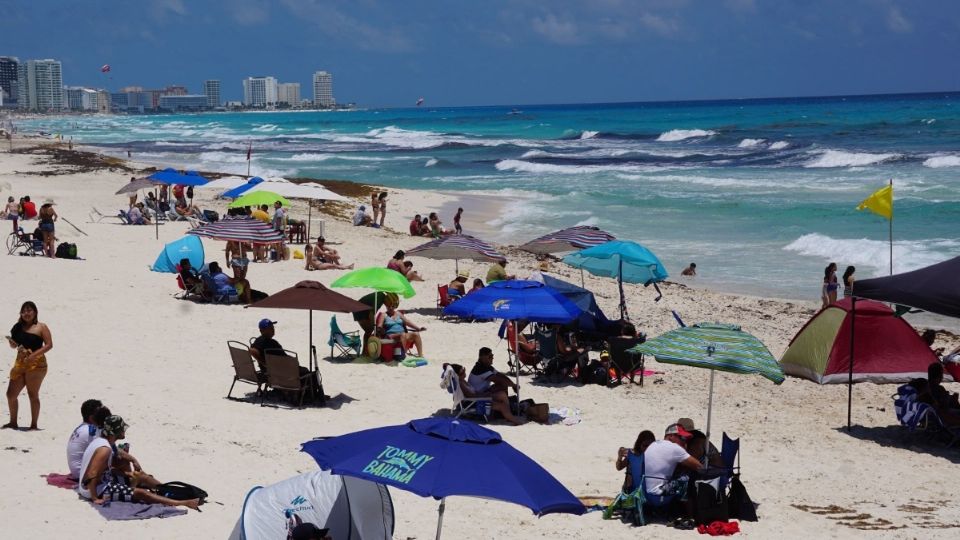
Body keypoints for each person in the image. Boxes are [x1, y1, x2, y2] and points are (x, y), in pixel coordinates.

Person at [76, 415, 200, 510]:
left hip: (103, 481)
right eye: (122, 429)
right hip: (98, 489)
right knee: (141, 493)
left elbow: (111, 462)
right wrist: (94, 498)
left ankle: (170, 491)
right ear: (116, 432)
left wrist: (131, 463)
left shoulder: (106, 441)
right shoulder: (104, 449)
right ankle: (183, 503)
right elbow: (92, 473)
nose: (124, 431)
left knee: (141, 477)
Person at [4, 301, 52, 430]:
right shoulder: (17, 327)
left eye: (29, 310)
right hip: (20, 362)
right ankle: (13, 422)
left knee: (33, 394)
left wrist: (34, 355)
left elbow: (49, 345)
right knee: (11, 394)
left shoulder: (41, 327)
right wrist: (12, 344)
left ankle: (34, 425)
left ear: (35, 312)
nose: (26, 313)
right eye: (24, 311)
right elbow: (15, 344)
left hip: (37, 364)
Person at [642, 423, 702, 514]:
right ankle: (690, 514)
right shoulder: (674, 448)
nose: (684, 441)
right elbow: (698, 466)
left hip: (644, 492)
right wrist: (685, 449)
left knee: (676, 477)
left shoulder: (654, 444)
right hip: (658, 493)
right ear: (670, 436)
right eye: (682, 438)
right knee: (686, 478)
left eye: (685, 439)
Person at [445, 361, 525, 425]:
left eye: (464, 370)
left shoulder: (463, 381)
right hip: (473, 403)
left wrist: (486, 393)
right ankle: (513, 419)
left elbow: (473, 393)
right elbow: (471, 396)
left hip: (477, 398)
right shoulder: (461, 384)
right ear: (458, 375)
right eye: (463, 372)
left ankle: (509, 416)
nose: (465, 372)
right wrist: (485, 395)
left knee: (501, 394)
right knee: (502, 405)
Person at [468, 347, 525, 424]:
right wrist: (513, 385)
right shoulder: (480, 369)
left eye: (492, 356)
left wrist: (513, 385)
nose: (492, 358)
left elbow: (501, 376)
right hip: (479, 396)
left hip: (483, 392)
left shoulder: (486, 367)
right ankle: (508, 413)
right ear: (482, 357)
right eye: (490, 356)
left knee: (503, 386)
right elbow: (499, 379)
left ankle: (506, 411)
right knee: (502, 393)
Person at [66, 399, 104, 480]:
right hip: (82, 474)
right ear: (91, 418)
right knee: (120, 462)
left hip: (76, 471)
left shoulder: (81, 427)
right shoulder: (91, 431)